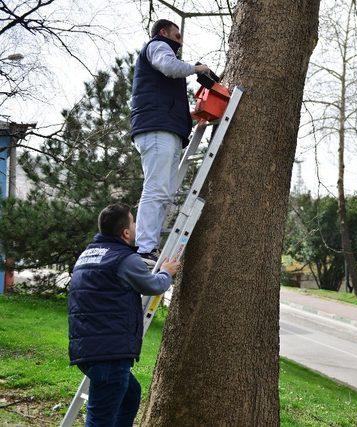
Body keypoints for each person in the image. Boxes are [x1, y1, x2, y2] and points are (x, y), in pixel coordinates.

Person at [67, 203, 180, 426]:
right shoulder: (123, 259)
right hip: (109, 354)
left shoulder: (88, 254)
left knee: (130, 394)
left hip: (88, 350)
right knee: (100, 421)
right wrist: (166, 272)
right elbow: (153, 285)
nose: (138, 226)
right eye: (134, 222)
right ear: (125, 232)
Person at [130, 19, 212, 264]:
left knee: (163, 192)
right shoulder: (158, 46)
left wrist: (191, 117)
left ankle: (149, 247)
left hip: (164, 127)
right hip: (156, 127)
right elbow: (168, 66)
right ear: (164, 32)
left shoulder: (164, 52)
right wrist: (197, 68)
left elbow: (167, 92)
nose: (179, 42)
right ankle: (145, 248)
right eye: (177, 36)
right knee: (156, 188)